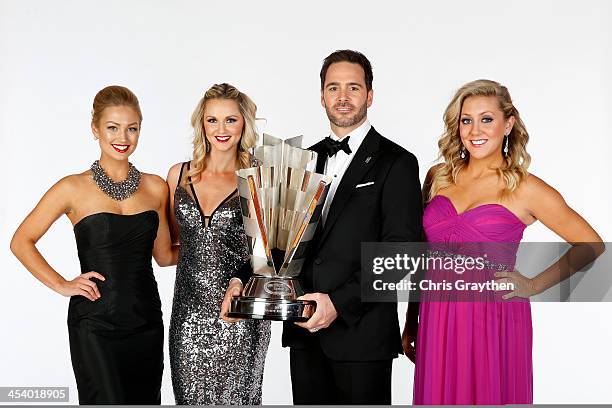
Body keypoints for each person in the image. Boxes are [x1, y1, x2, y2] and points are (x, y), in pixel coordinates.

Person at [222, 50, 423, 404]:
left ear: (370, 96)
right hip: (304, 333)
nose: (343, 98)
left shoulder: (398, 162)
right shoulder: (301, 159)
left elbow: (400, 252)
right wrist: (241, 279)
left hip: (361, 336)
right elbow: (276, 236)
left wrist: (338, 304)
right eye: (334, 88)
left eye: (353, 88)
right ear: (322, 96)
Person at [403, 79, 603, 405]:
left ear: (507, 124)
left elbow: (591, 245)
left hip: (491, 316)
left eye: (487, 119)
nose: (474, 130)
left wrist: (535, 285)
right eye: (466, 120)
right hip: (437, 316)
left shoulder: (526, 188)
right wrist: (413, 319)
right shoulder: (437, 177)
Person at [10, 85, 177, 404]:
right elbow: (21, 241)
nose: (123, 137)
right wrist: (61, 284)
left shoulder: (156, 187)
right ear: (95, 129)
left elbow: (165, 255)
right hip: (94, 320)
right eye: (112, 127)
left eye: (132, 128)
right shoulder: (72, 188)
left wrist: (216, 245)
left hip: (146, 320)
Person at [166, 83, 271, 405]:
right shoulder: (178, 175)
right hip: (187, 317)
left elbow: (270, 252)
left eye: (231, 120)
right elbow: (170, 248)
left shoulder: (259, 177)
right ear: (202, 124)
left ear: (244, 124)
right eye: (212, 120)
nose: (221, 129)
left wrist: (241, 281)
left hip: (241, 314)